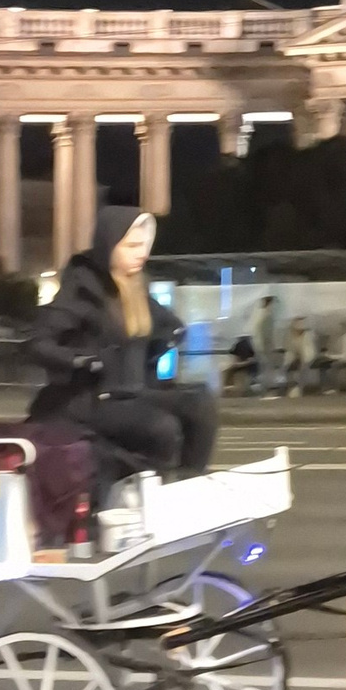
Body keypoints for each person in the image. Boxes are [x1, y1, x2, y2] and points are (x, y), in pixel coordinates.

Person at [28, 203, 219, 489]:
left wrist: (172, 334)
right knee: (161, 428)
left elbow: (166, 322)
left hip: (132, 392)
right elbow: (38, 343)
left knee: (201, 404)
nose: (141, 253)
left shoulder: (135, 287)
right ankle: (149, 497)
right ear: (109, 246)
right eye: (131, 246)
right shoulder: (83, 290)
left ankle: (188, 484)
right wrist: (80, 360)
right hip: (90, 400)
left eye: (144, 245)